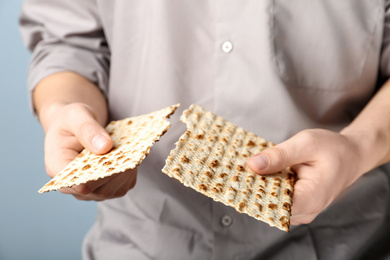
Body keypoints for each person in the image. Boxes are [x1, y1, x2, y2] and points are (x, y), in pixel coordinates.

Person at [20, 1, 390, 259]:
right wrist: (66, 110)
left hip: (346, 242)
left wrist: (358, 146)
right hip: (143, 244)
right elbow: (68, 43)